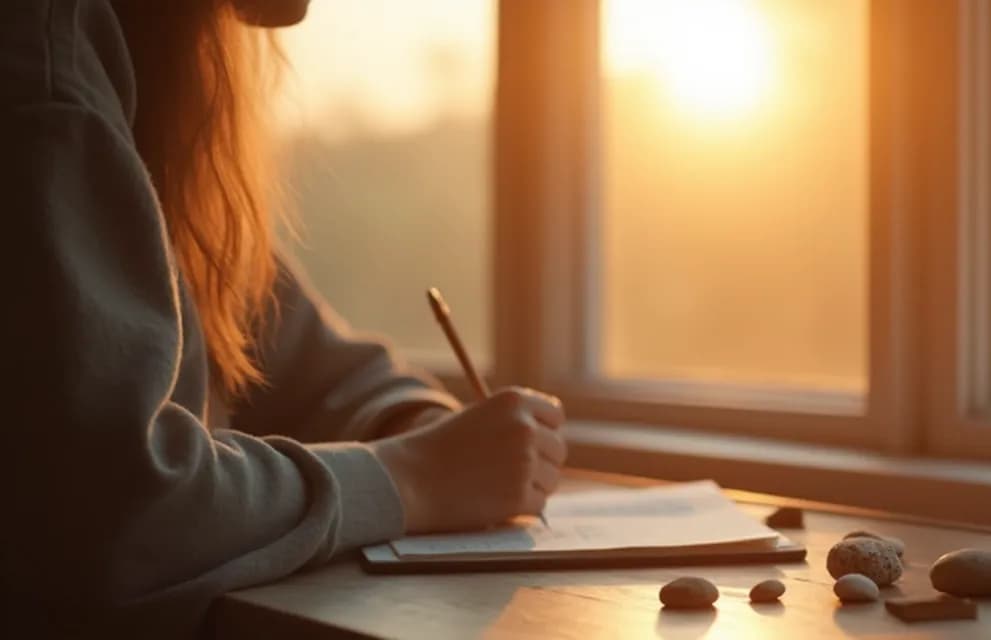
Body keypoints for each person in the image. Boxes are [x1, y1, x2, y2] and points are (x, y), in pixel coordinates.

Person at [0, 0, 568, 634]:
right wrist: (416, 477)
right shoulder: (44, 88)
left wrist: (415, 423)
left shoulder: (148, 76)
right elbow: (117, 515)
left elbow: (298, 359)